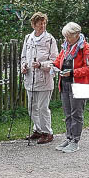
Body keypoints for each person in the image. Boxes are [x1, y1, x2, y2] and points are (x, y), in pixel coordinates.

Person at [52, 22, 89, 153]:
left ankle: (75, 140)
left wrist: (72, 73)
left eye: (68, 36)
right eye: (65, 36)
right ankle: (69, 137)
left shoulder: (85, 48)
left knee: (76, 113)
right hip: (65, 83)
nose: (66, 39)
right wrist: (52, 66)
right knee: (67, 113)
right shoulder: (66, 47)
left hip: (79, 85)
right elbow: (59, 60)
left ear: (76, 35)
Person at [20, 12, 59, 144]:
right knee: (31, 107)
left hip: (44, 79)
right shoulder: (28, 38)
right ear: (33, 25)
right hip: (30, 78)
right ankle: (38, 129)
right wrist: (23, 66)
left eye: (44, 23)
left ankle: (47, 132)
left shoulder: (50, 39)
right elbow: (23, 56)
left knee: (43, 108)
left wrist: (42, 65)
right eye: (39, 24)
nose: (42, 26)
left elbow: (55, 61)